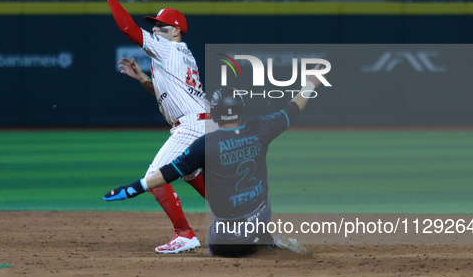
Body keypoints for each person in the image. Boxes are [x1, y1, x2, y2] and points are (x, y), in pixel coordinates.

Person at [103, 69, 324, 257]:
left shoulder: (203, 145)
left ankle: (256, 241)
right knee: (256, 206)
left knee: (215, 243)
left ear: (214, 115)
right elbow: (292, 110)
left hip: (228, 243)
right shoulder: (259, 128)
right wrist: (311, 83)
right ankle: (264, 238)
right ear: (241, 109)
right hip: (262, 216)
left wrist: (133, 188)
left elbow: (168, 173)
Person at [100, 0, 215, 254]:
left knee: (155, 176)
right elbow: (169, 93)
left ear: (175, 31)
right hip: (203, 121)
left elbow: (127, 28)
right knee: (190, 172)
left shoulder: (169, 49)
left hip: (192, 124)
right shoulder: (179, 54)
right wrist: (143, 80)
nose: (154, 29)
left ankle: (184, 234)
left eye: (161, 25)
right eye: (154, 25)